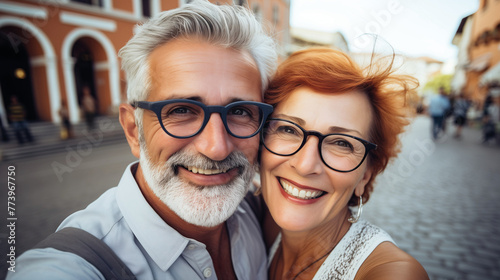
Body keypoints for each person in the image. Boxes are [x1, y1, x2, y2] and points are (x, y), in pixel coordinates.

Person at [8, 1, 277, 279]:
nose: (217, 148)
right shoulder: (75, 265)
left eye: (241, 111)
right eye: (181, 110)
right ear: (133, 130)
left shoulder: (262, 212)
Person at [258, 48, 429, 279]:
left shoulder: (392, 272)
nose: (305, 165)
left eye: (341, 143)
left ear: (366, 175)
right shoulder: (260, 224)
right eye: (288, 129)